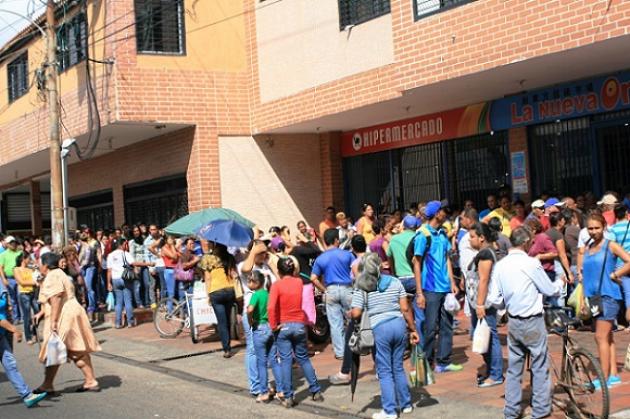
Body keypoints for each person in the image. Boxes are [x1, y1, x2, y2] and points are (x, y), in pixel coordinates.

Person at [487, 227, 562, 419]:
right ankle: (540, 409)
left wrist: (506, 305)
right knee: (539, 365)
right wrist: (560, 283)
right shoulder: (531, 263)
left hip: (514, 321)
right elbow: (549, 289)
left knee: (514, 368)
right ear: (527, 242)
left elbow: (495, 299)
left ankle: (511, 411)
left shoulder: (501, 265)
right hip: (532, 320)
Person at [351, 253, 419, 419]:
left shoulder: (362, 285)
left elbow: (356, 313)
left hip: (380, 328)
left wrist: (351, 312)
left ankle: (389, 410)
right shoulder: (395, 281)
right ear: (380, 265)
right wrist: (412, 329)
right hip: (399, 325)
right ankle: (406, 404)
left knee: (384, 371)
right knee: (397, 366)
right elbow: (405, 308)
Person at [34, 252, 101, 393]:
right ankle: (50, 383)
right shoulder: (59, 273)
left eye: (40, 263)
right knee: (67, 348)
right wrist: (42, 313)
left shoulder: (53, 276)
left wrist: (54, 321)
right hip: (71, 310)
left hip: (64, 314)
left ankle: (88, 380)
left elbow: (57, 297)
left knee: (62, 349)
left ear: (45, 265)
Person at [580, 213, 630, 389]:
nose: (593, 231)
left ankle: (603, 378)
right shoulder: (588, 247)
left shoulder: (611, 245)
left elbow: (629, 261)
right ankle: (613, 375)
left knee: (599, 336)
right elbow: (584, 274)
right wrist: (583, 298)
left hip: (609, 295)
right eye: (590, 228)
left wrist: (616, 274)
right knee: (607, 337)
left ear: (604, 227)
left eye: (596, 228)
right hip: (593, 298)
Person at [413, 200, 462, 373]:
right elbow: (416, 263)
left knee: (447, 325)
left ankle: (444, 361)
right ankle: (426, 362)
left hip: (445, 288)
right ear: (435, 213)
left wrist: (452, 282)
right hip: (430, 288)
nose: (445, 213)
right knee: (430, 326)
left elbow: (447, 258)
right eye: (442, 211)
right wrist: (419, 292)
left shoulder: (442, 234)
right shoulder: (423, 235)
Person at [269, 257, 323, 408]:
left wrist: (273, 326)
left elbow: (271, 308)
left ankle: (288, 397)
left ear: (278, 271)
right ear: (293, 270)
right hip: (299, 325)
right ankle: (315, 390)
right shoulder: (298, 282)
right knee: (304, 358)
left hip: (283, 325)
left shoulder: (276, 286)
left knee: (286, 361)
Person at [466, 223, 503, 388]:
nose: (469, 239)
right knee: (482, 336)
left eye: (472, 236)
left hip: (484, 303)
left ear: (482, 238)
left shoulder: (486, 254)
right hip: (478, 303)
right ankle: (491, 369)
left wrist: (480, 304)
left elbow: (484, 279)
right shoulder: (482, 253)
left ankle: (496, 374)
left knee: (490, 336)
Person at [0, 280, 48, 407]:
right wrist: (14, 329)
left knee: (10, 364)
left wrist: (9, 331)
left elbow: (6, 307)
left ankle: (27, 395)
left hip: (2, 334)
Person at [238, 240, 277, 395]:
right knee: (253, 349)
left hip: (267, 313)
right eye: (262, 252)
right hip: (252, 312)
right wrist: (254, 251)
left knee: (267, 351)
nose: (264, 254)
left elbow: (278, 282)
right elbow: (246, 268)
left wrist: (271, 263)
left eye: (265, 251)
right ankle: (255, 386)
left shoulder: (265, 266)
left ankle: (264, 383)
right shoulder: (245, 266)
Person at [310, 229, 355, 360]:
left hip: (331, 290)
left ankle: (340, 352)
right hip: (347, 289)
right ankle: (356, 347)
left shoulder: (320, 258)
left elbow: (313, 278)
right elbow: (355, 270)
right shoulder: (347, 254)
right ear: (336, 240)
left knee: (335, 324)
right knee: (353, 320)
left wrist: (324, 290)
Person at [247, 271, 282, 403]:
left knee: (261, 363)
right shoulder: (268, 294)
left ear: (256, 283)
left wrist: (250, 320)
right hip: (270, 328)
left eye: (250, 281)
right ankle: (281, 390)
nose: (249, 284)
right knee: (273, 360)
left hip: (259, 328)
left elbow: (250, 309)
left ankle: (264, 392)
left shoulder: (255, 295)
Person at [201, 243, 237, 358]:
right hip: (229, 290)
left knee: (222, 322)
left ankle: (227, 349)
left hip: (216, 291)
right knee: (227, 320)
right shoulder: (230, 257)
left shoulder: (208, 258)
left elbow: (207, 278)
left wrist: (208, 296)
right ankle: (229, 341)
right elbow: (233, 274)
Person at [107, 238, 137, 329]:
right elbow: (134, 263)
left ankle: (118, 323)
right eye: (125, 244)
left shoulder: (110, 255)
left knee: (118, 302)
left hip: (115, 279)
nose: (126, 246)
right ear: (122, 244)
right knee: (128, 301)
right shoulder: (126, 254)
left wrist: (108, 283)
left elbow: (109, 271)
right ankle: (130, 322)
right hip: (125, 278)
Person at [610, 205, 630, 322]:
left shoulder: (612, 229)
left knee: (624, 292)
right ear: (627, 213)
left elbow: (612, 247)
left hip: (620, 263)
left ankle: (620, 319)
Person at [13, 253, 39, 344]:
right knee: (27, 316)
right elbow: (22, 282)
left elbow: (37, 277)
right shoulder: (16, 269)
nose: (29, 260)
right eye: (28, 259)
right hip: (24, 294)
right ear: (23, 259)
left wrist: (36, 270)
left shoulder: (30, 269)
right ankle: (28, 337)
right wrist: (34, 282)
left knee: (37, 313)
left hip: (33, 293)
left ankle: (35, 334)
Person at [526, 217, 558, 283]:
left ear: (534, 230)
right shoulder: (528, 240)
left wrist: (540, 256)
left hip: (546, 273)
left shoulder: (542, 237)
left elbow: (554, 253)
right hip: (533, 272)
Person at [0, 236, 23, 323]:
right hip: (10, 279)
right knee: (13, 299)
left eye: (14, 242)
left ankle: (23, 317)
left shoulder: (20, 253)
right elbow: (1, 268)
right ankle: (16, 318)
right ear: (8, 244)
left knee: (20, 298)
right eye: (11, 243)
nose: (13, 244)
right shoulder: (3, 255)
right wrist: (4, 279)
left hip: (20, 278)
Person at [78, 231, 99, 320]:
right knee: (88, 288)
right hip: (87, 267)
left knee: (89, 288)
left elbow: (85, 261)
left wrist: (79, 266)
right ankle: (92, 305)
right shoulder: (84, 247)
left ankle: (92, 306)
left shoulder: (86, 248)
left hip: (89, 267)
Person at [128, 226, 148, 308]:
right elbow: (132, 255)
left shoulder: (143, 239)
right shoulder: (132, 242)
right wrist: (135, 266)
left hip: (145, 265)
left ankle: (146, 302)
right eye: (135, 231)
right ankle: (138, 303)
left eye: (137, 231)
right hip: (137, 266)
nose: (136, 232)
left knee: (147, 284)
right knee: (137, 285)